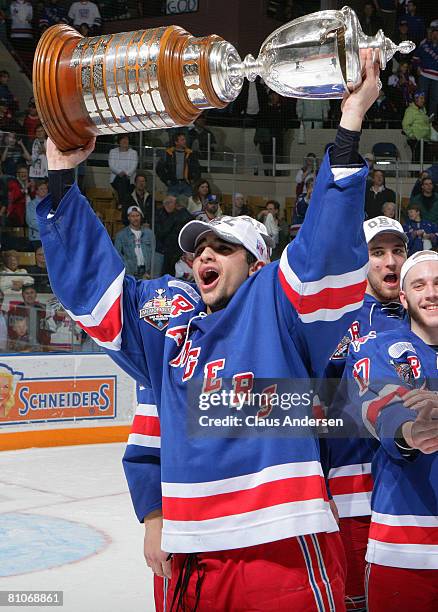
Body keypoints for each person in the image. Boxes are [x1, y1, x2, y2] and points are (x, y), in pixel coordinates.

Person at [37, 50, 380, 609]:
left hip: (280, 546)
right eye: (198, 248)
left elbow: (320, 256)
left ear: (258, 265)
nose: (204, 256)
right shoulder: (169, 326)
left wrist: (348, 126)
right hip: (193, 554)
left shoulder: (278, 307)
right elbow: (94, 291)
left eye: (224, 247)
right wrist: (59, 173)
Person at [342, 250, 438, 611]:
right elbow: (387, 416)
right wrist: (416, 431)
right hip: (404, 549)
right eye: (419, 285)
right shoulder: (376, 348)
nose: (430, 292)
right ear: (404, 298)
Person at [323, 216, 408, 612]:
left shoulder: (424, 317)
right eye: (378, 253)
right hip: (355, 498)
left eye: (397, 251)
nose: (389, 262)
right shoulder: (335, 321)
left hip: (419, 501)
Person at [114, 205, 155, 279]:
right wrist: (127, 268)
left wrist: (151, 272)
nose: (135, 218)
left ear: (141, 217)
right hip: (130, 273)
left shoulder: (149, 233)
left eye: (137, 215)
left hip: (146, 273)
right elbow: (117, 255)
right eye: (132, 216)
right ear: (128, 217)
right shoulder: (121, 235)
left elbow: (154, 252)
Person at [155, 195, 192, 274]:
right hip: (183, 250)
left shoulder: (175, 216)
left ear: (176, 204)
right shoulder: (190, 217)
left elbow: (162, 232)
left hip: (171, 251)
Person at [156, 132, 200, 197]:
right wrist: (166, 180)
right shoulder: (168, 153)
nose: (185, 141)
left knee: (187, 205)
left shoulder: (190, 154)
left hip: (187, 185)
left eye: (185, 139)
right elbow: (159, 168)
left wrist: (193, 181)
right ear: (176, 142)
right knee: (171, 205)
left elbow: (197, 169)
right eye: (182, 140)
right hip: (173, 184)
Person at [8, 284, 48, 350]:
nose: (30, 295)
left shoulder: (42, 311)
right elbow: (11, 332)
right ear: (23, 295)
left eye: (32, 292)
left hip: (39, 349)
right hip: (20, 349)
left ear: (36, 295)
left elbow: (45, 331)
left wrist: (44, 346)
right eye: (27, 293)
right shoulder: (14, 311)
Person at [412, 20, 438, 116]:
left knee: (435, 99)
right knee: (421, 96)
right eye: (434, 34)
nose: (435, 36)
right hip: (424, 74)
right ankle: (419, 116)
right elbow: (415, 58)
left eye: (437, 34)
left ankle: (431, 119)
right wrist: (417, 67)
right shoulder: (424, 44)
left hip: (437, 78)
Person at [108, 135, 138, 208]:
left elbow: (134, 165)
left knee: (124, 181)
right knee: (122, 180)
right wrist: (120, 173)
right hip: (116, 179)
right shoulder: (113, 151)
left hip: (130, 179)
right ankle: (126, 205)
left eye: (126, 139)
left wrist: (127, 173)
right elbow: (111, 165)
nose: (125, 141)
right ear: (119, 141)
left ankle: (122, 204)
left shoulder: (133, 152)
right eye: (123, 139)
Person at [402, 90, 432, 161]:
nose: (423, 100)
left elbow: (424, 124)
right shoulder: (410, 110)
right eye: (421, 98)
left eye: (423, 98)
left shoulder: (423, 110)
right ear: (415, 99)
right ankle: (414, 172)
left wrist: (429, 121)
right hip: (416, 141)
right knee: (417, 161)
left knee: (424, 161)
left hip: (424, 140)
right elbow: (405, 125)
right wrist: (412, 136)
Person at [26, 180, 48, 249]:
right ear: (37, 191)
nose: (44, 190)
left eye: (45, 189)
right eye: (41, 189)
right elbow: (32, 222)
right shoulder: (32, 205)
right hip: (37, 238)